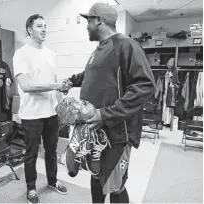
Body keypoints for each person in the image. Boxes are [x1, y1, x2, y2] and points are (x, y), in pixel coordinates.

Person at [66, 3, 156, 203]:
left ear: (98, 20)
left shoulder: (125, 45)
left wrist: (105, 114)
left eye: (88, 20)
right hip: (95, 132)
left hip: (116, 133)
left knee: (114, 186)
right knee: (96, 175)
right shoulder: (98, 50)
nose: (86, 25)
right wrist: (71, 81)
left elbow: (145, 86)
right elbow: (92, 74)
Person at [13, 14, 71, 204]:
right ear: (30, 29)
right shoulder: (21, 54)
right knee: (30, 154)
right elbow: (26, 86)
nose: (44, 29)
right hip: (31, 115)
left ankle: (52, 181)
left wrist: (62, 106)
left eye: (45, 26)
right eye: (40, 26)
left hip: (51, 114)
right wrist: (56, 86)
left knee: (51, 151)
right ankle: (31, 188)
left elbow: (56, 83)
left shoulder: (50, 54)